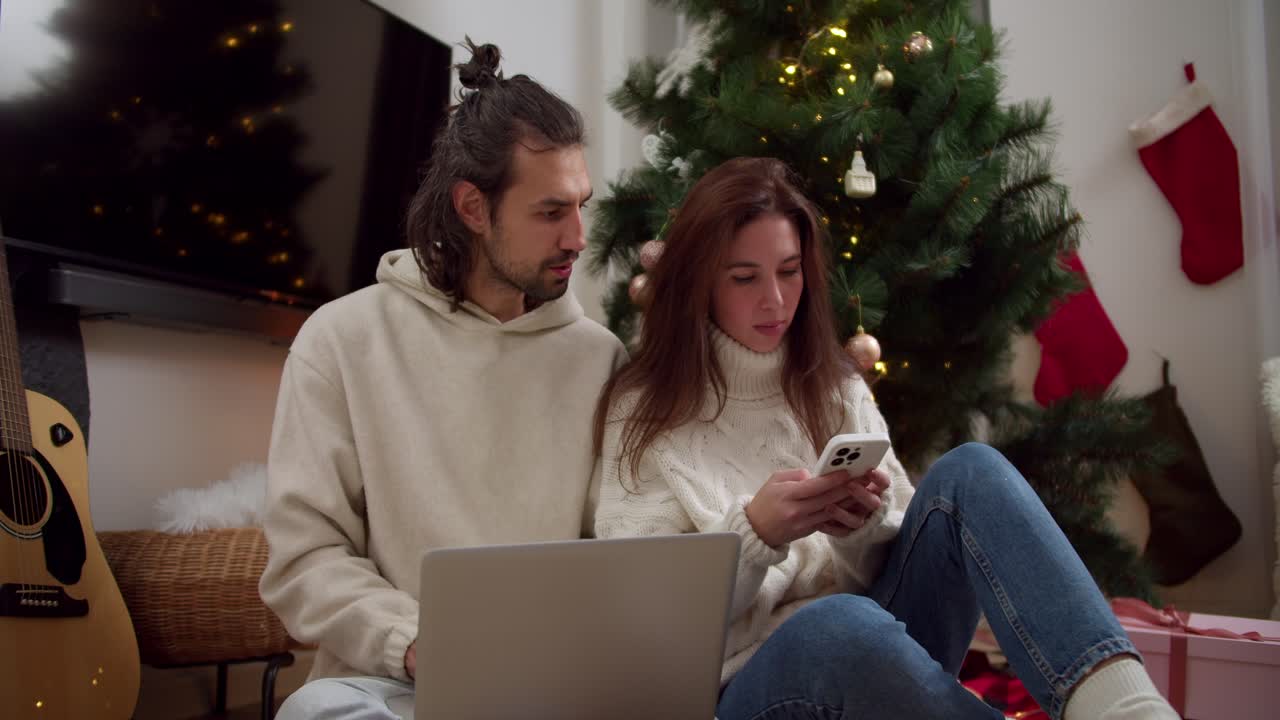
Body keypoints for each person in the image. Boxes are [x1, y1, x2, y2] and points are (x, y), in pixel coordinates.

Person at [593, 156, 1177, 720]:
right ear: (700, 285)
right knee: (837, 627)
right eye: (745, 277)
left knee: (971, 470)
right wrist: (754, 535)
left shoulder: (836, 386)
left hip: (875, 648)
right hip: (746, 692)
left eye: (790, 271)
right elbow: (644, 630)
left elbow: (897, 562)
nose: (775, 300)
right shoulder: (643, 411)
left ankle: (1130, 711)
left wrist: (861, 529)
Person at [260, 39, 625, 719]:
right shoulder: (342, 340)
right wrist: (418, 641)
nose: (578, 236)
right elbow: (303, 559)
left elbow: (626, 548)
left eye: (583, 205)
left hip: (554, 685)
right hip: (393, 684)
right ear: (472, 208)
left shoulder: (601, 360)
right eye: (551, 212)